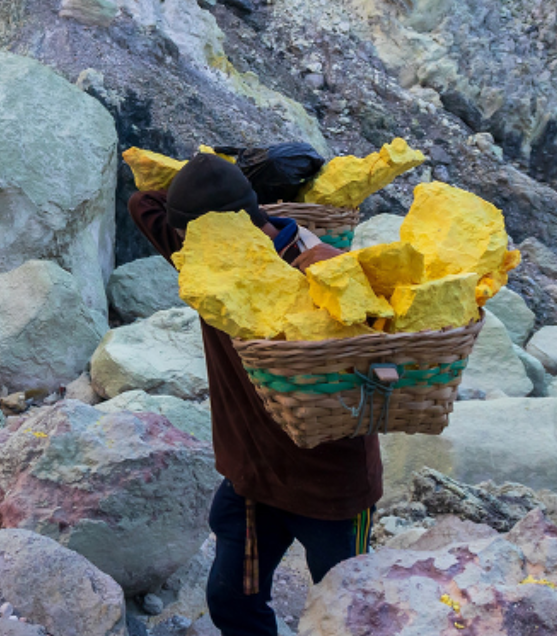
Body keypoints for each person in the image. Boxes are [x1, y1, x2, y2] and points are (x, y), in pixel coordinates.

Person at [128, 155, 379, 636]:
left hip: (332, 488)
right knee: (231, 602)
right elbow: (144, 202)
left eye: (197, 237)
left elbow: (379, 347)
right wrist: (230, 172)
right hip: (253, 480)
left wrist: (331, 266)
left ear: (231, 228)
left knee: (349, 616)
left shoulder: (321, 272)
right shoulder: (202, 264)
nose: (184, 248)